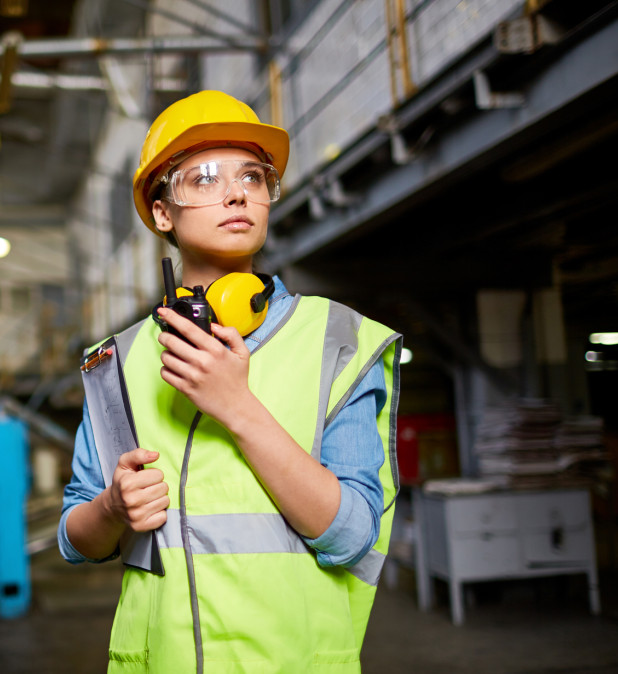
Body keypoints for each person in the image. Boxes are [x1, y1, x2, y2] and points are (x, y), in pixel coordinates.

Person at [58, 90, 402, 673]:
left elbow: (351, 538)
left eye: (253, 176)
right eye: (205, 179)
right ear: (163, 212)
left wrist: (237, 408)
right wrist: (113, 507)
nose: (238, 191)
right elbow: (75, 536)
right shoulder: (117, 360)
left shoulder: (336, 341)